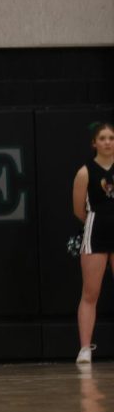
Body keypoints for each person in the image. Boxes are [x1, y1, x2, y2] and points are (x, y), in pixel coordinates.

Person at [74, 121, 114, 364]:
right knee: (90, 293)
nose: (108, 142)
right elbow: (78, 209)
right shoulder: (84, 172)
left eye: (111, 138)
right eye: (103, 138)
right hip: (96, 232)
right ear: (94, 143)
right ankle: (85, 349)